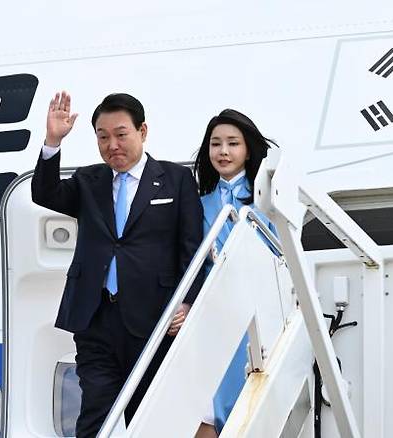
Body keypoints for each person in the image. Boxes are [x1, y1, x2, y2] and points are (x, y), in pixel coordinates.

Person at [31, 91, 204, 438]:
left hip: (155, 320)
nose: (112, 145)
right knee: (96, 414)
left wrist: (188, 302)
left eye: (121, 134)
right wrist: (52, 141)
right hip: (96, 319)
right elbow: (44, 194)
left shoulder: (175, 180)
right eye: (103, 136)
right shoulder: (88, 180)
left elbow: (192, 249)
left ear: (143, 131)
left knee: (152, 418)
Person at [192, 109, 279, 437]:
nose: (223, 151)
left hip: (254, 312)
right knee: (210, 405)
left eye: (232, 143)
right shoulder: (198, 204)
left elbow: (278, 257)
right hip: (213, 314)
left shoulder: (265, 202)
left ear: (248, 149)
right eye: (216, 144)